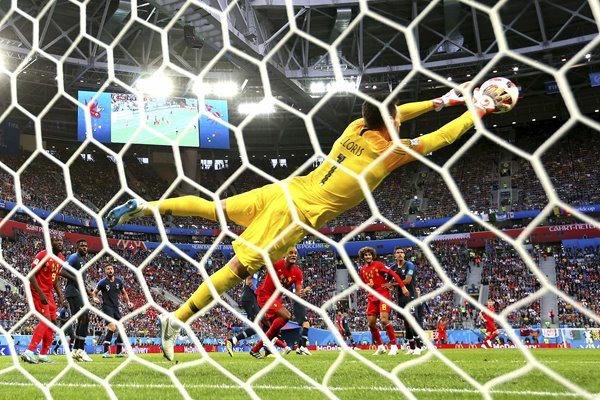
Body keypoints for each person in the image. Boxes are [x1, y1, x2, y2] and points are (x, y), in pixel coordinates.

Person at [105, 82, 511, 361]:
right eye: (397, 120)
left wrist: (441, 102)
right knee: (239, 266)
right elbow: (441, 139)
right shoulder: (392, 151)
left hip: (285, 188)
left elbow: (393, 112)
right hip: (298, 211)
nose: (402, 121)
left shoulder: (357, 126)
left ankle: (145, 206)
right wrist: (474, 110)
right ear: (390, 125)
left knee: (217, 208)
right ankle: (176, 321)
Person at [21, 236, 75, 364]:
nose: (60, 243)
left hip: (48, 292)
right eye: (57, 241)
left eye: (61, 241)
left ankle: (43, 355)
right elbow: (31, 275)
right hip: (36, 291)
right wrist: (40, 293)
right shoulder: (43, 255)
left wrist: (60, 295)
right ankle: (29, 352)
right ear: (51, 243)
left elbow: (54, 276)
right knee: (45, 320)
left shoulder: (60, 258)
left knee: (53, 323)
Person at [247, 248, 304, 359]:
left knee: (276, 330)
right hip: (265, 295)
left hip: (276, 300)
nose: (293, 255)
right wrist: (249, 278)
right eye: (291, 252)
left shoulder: (298, 273)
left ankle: (255, 349)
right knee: (287, 315)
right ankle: (267, 345)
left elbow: (297, 292)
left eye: (295, 253)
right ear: (285, 255)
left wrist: (300, 292)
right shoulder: (276, 264)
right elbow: (259, 265)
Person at [358, 246, 409, 355]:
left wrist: (403, 287)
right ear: (363, 257)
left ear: (372, 256)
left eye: (369, 254)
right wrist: (366, 285)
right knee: (371, 323)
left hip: (383, 295)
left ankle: (394, 347)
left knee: (384, 320)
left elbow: (393, 274)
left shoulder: (379, 265)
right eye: (366, 255)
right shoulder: (362, 270)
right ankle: (380, 347)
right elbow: (362, 285)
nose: (368, 256)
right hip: (372, 297)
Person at [91, 264, 134, 358]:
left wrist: (129, 302)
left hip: (116, 308)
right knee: (112, 327)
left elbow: (124, 293)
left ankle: (118, 352)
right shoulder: (102, 282)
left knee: (122, 329)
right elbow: (94, 293)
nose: (110, 270)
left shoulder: (119, 281)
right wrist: (94, 298)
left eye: (111, 269)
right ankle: (105, 351)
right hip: (107, 307)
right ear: (105, 271)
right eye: (108, 269)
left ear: (113, 270)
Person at [388, 246, 423, 355]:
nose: (400, 254)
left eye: (401, 252)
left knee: (411, 320)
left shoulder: (409, 265)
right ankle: (412, 347)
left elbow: (407, 281)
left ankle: (419, 346)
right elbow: (386, 280)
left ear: (404, 254)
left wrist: (392, 284)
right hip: (401, 298)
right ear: (395, 255)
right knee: (406, 323)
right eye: (397, 252)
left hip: (411, 296)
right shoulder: (393, 267)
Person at [64, 238, 93, 362]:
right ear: (77, 247)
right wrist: (76, 280)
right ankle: (81, 350)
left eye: (86, 245)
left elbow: (82, 280)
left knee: (83, 318)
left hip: (78, 292)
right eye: (82, 245)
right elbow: (62, 270)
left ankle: (75, 351)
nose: (84, 247)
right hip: (72, 291)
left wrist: (88, 292)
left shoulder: (82, 261)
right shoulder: (73, 258)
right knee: (85, 317)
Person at [225, 272, 261, 356]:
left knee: (257, 326)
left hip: (250, 299)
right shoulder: (256, 266)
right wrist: (260, 293)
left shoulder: (258, 270)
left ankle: (233, 340)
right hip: (249, 298)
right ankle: (266, 350)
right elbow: (249, 279)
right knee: (258, 325)